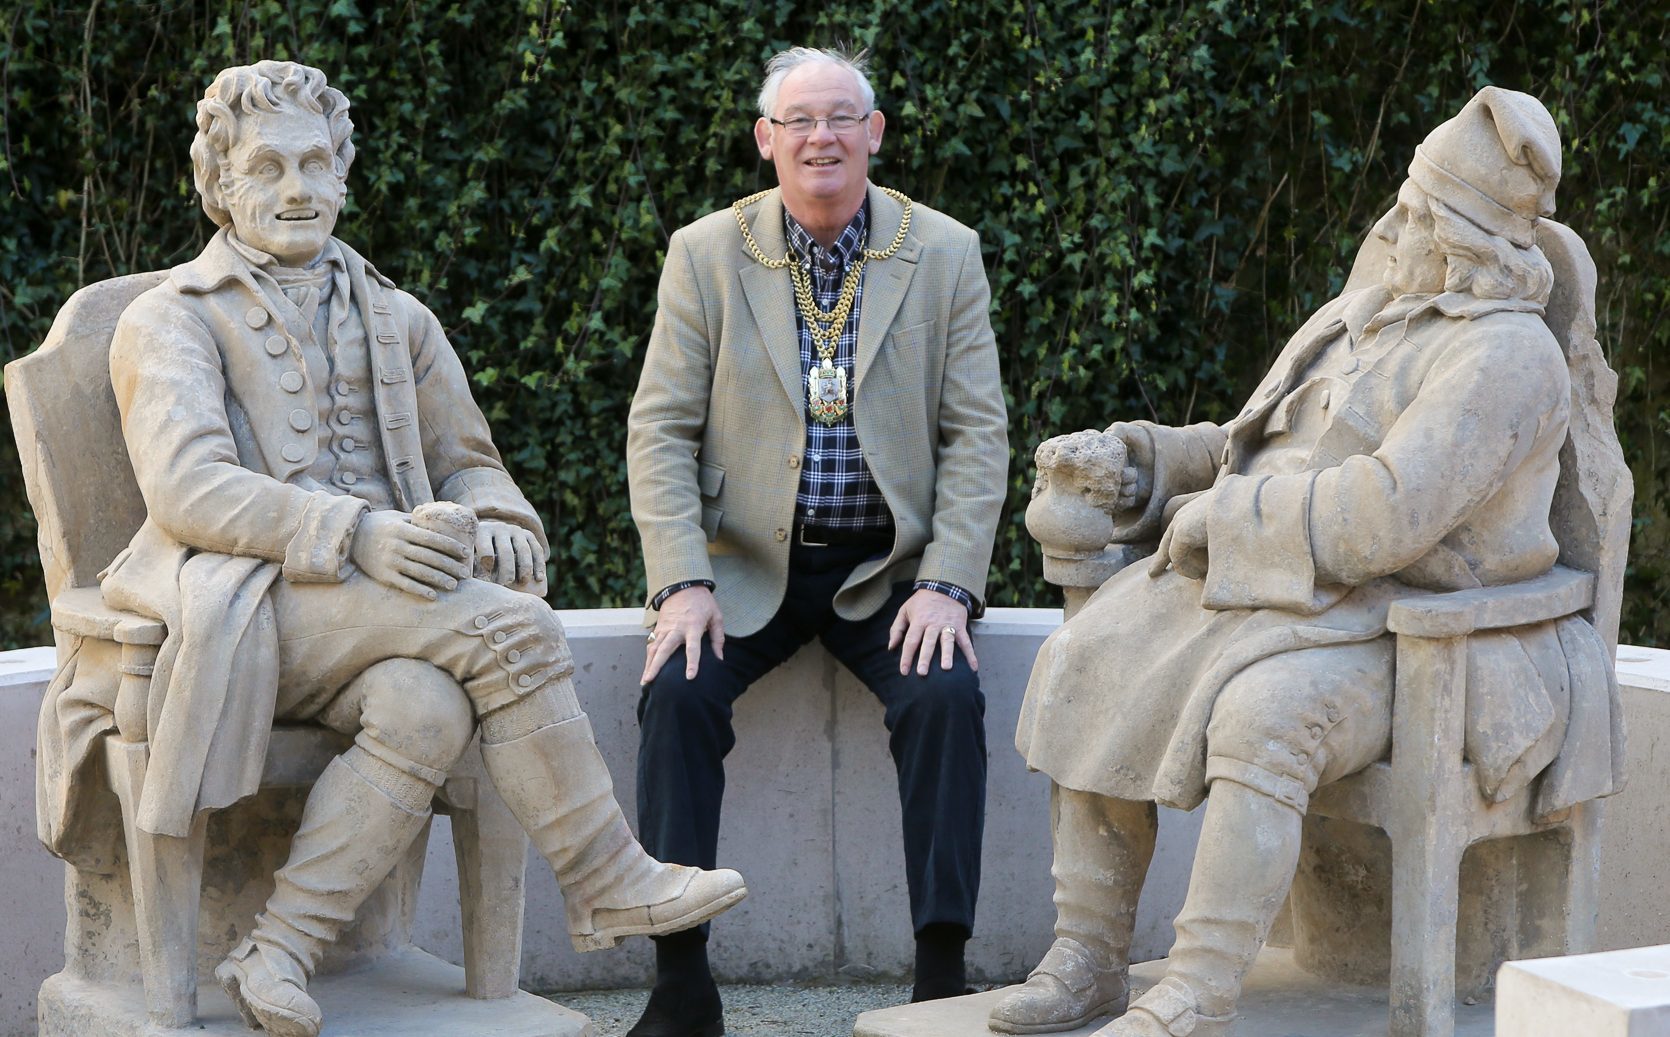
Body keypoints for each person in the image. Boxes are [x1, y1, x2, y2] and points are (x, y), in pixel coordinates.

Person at [42, 60, 747, 1037]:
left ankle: (277, 948)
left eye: (317, 162)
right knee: (509, 629)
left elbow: (471, 463)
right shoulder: (173, 317)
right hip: (247, 602)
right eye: (269, 165)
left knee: (423, 706)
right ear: (221, 185)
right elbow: (188, 487)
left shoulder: (396, 316)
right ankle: (602, 874)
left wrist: (499, 520)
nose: (298, 187)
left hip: (391, 620)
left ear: (344, 174)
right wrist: (361, 533)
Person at [994, 87, 1622, 1037]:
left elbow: (1386, 517)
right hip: (1283, 596)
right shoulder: (1360, 312)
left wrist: (1229, 516)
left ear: (1465, 240)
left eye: (1416, 212)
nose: (1393, 223)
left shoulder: (1505, 356)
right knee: (1085, 654)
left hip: (1428, 632)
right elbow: (1253, 443)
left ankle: (1197, 989)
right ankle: (1086, 957)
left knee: (1266, 716)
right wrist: (1139, 465)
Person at [624, 45, 1009, 1037]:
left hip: (887, 573)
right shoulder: (704, 252)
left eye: (841, 116)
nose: (820, 136)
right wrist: (681, 580)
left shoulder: (944, 251)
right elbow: (658, 427)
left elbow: (976, 435)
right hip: (744, 567)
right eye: (798, 120)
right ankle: (679, 981)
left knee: (946, 694)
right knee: (673, 694)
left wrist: (948, 584)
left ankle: (939, 974)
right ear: (766, 140)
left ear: (873, 133)